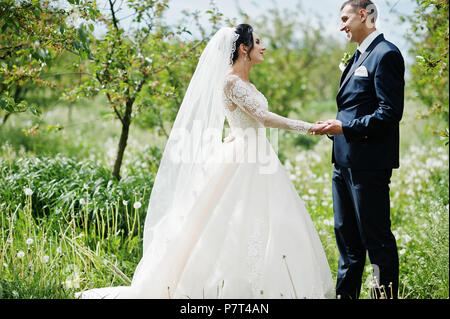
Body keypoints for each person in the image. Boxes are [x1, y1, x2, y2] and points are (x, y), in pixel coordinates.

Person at [76, 24, 334, 299]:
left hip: (255, 152)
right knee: (233, 219)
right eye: (257, 42)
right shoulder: (230, 82)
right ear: (243, 48)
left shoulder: (247, 84)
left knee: (267, 219)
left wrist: (239, 135)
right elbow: (264, 117)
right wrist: (309, 127)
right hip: (245, 158)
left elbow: (247, 121)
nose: (263, 47)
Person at [312, 0, 405, 299]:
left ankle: (385, 296)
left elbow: (389, 113)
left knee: (376, 242)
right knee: (348, 244)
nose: (341, 26)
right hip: (343, 163)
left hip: (369, 165)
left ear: (363, 15)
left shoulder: (386, 54)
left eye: (345, 18)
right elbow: (353, 109)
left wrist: (345, 128)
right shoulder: (356, 57)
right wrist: (335, 127)